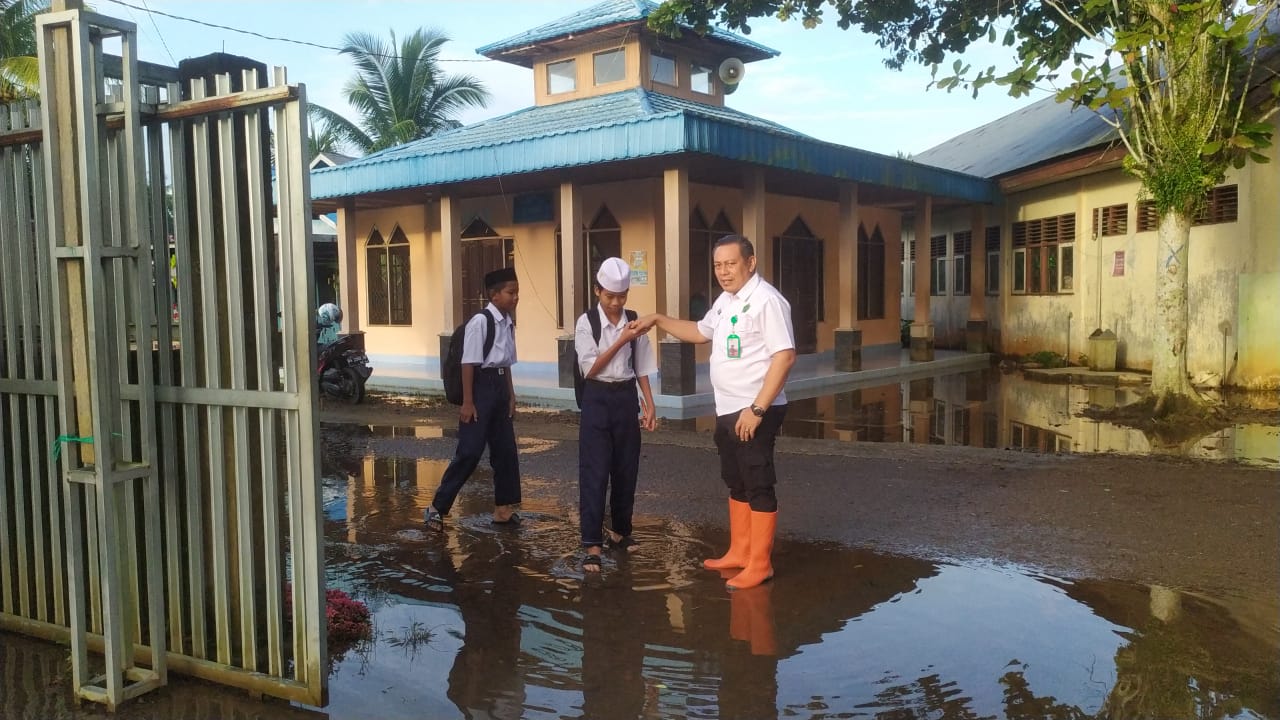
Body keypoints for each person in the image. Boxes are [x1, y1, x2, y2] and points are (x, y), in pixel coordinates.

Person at [631, 235, 795, 590]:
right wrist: (658, 319)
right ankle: (740, 551)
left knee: (757, 482)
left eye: (731, 264)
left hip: (754, 409)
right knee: (736, 480)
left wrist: (757, 409)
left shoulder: (767, 301)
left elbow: (785, 356)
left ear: (750, 263)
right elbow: (700, 332)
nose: (723, 272)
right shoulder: (726, 300)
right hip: (728, 408)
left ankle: (760, 564)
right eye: (718, 265)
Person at [574, 257, 657, 573]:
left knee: (626, 468)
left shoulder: (634, 320)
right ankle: (591, 543)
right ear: (597, 290)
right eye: (609, 295)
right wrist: (622, 338)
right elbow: (590, 368)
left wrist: (649, 404)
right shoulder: (587, 323)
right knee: (595, 471)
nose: (616, 302)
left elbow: (643, 365)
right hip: (596, 398)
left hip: (625, 398)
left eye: (621, 296)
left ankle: (619, 532)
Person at [425, 267, 522, 529]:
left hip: (500, 387)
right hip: (480, 388)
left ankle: (503, 510)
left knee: (505, 452)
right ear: (494, 295)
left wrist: (511, 396)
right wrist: (468, 401)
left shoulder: (508, 322)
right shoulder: (481, 321)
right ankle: (437, 508)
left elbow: (507, 363)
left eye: (517, 292)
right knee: (469, 452)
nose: (515, 298)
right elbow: (469, 363)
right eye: (510, 292)